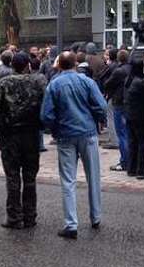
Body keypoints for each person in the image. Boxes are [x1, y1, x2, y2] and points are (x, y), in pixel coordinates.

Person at [40, 52, 108, 239]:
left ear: (59, 65)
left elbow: (46, 115)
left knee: (68, 180)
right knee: (93, 176)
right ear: (76, 64)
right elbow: (101, 106)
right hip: (87, 132)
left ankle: (71, 223)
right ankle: (95, 216)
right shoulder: (87, 82)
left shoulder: (54, 84)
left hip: (65, 134)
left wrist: (55, 128)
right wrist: (96, 119)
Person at [0, 53, 47, 229]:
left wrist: (0, 128)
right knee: (30, 177)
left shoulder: (3, 83)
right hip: (31, 135)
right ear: (28, 65)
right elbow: (46, 105)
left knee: (12, 177)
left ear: (12, 65)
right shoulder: (37, 83)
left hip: (10, 135)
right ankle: (30, 215)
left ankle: (14, 217)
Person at [123, 58, 144, 179]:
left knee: (132, 142)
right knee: (143, 143)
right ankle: (141, 170)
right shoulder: (140, 82)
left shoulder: (128, 80)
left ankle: (131, 168)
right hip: (140, 116)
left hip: (129, 114)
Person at [104, 49, 131, 171]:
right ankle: (131, 159)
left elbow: (107, 84)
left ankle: (125, 161)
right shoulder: (131, 69)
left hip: (119, 102)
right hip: (130, 103)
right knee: (128, 133)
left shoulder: (119, 71)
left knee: (121, 133)